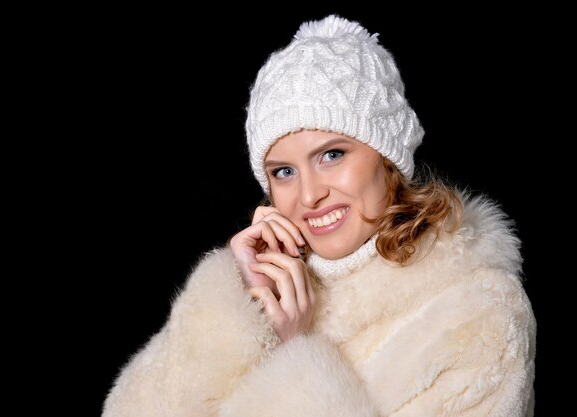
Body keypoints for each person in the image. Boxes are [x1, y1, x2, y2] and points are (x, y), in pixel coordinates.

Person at [102, 15, 536, 417]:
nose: (310, 194)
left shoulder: (478, 313)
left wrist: (295, 351)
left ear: (387, 158)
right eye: (284, 172)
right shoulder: (264, 290)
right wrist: (237, 303)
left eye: (332, 154)